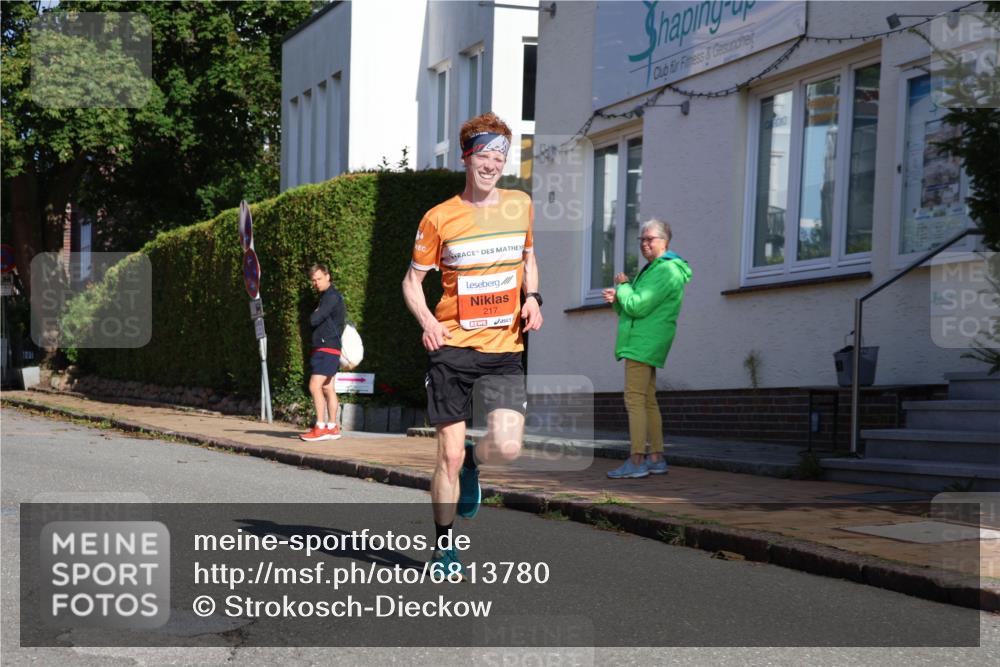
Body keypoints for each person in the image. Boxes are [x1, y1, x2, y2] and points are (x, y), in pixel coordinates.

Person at [402, 111, 543, 577]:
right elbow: (411, 282)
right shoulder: (439, 217)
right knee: (448, 452)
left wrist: (533, 298)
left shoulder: (520, 205)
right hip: (452, 349)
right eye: (484, 156)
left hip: (505, 348)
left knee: (507, 446)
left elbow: (528, 259)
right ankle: (444, 549)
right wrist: (427, 320)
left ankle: (473, 468)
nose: (492, 165)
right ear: (467, 157)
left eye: (500, 157)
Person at [602, 219, 691, 478]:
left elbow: (638, 306)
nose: (644, 243)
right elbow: (634, 306)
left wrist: (623, 286)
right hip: (647, 340)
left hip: (642, 342)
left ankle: (637, 460)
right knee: (648, 400)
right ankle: (656, 458)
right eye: (641, 239)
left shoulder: (665, 270)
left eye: (649, 239)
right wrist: (619, 298)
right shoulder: (657, 269)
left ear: (664, 241)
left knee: (634, 400)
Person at [299, 264, 346, 442]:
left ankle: (320, 427)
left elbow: (314, 319)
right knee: (328, 387)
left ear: (327, 276)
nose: (316, 283)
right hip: (331, 348)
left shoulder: (330, 297)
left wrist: (316, 313)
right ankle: (332, 427)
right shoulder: (331, 296)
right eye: (313, 280)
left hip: (326, 348)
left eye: (319, 279)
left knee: (314, 386)